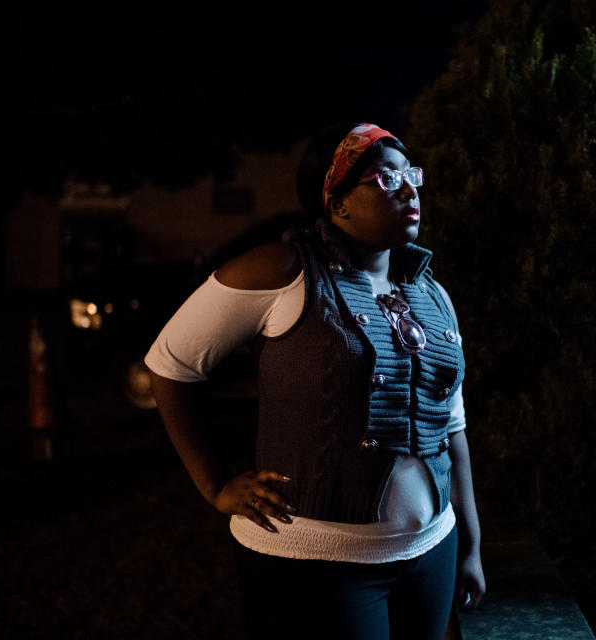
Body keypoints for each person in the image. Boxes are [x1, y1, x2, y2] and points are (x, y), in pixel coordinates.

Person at [145, 123, 485, 639]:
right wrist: (215, 485)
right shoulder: (282, 271)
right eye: (385, 180)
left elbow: (451, 426)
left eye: (411, 175)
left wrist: (471, 545)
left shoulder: (431, 293)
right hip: (315, 563)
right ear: (337, 203)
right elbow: (171, 363)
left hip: (431, 552)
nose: (411, 189)